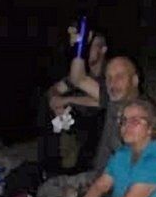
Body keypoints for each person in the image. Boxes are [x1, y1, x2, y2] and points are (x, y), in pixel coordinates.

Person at [40, 28, 109, 175]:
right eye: (85, 46)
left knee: (98, 117)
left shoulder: (111, 72)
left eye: (92, 46)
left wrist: (67, 100)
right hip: (80, 122)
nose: (87, 50)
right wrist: (55, 100)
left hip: (103, 127)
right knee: (47, 107)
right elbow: (55, 89)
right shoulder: (82, 73)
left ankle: (84, 170)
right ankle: (49, 169)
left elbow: (107, 101)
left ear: (103, 49)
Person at [92, 55, 141, 174]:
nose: (112, 83)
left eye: (119, 77)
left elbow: (133, 172)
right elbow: (78, 80)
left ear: (134, 80)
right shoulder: (115, 102)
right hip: (97, 176)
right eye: (108, 78)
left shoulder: (140, 117)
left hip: (115, 186)